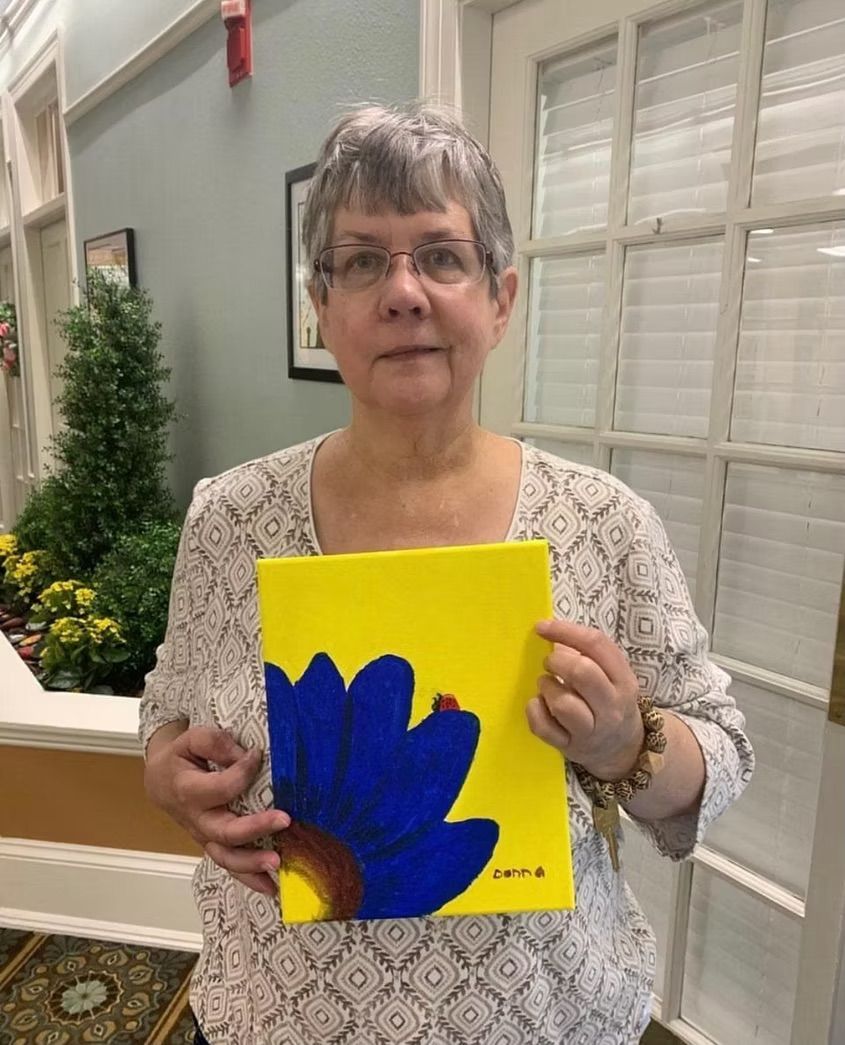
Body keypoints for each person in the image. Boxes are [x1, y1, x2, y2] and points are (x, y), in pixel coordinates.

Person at [141, 101, 753, 1045]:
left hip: (543, 1015)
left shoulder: (600, 522)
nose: (403, 292)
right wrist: (170, 778)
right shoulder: (230, 519)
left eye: (440, 254)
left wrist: (629, 741)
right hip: (286, 1013)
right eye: (359, 261)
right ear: (321, 306)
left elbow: (720, 759)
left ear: (499, 298)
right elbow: (169, 715)